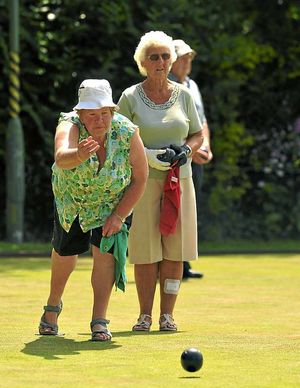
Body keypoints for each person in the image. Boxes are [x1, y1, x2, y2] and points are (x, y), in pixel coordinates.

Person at [38, 79, 148, 341]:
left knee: (105, 256)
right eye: (92, 115)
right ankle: (52, 307)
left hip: (111, 202)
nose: (99, 120)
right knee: (66, 253)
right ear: (81, 114)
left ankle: (99, 320)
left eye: (104, 114)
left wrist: (119, 215)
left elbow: (140, 178)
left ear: (112, 112)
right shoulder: (69, 124)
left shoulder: (127, 131)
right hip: (72, 200)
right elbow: (61, 158)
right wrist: (79, 154)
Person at [117, 31, 204, 332]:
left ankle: (167, 315)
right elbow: (119, 137)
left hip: (179, 180)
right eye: (154, 56)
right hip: (142, 182)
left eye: (166, 56)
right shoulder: (129, 97)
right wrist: (147, 155)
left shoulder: (185, 94)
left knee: (174, 250)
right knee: (145, 250)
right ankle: (145, 315)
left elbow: (197, 132)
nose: (161, 62)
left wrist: (187, 149)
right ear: (143, 62)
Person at [170, 39, 213, 280]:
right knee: (174, 208)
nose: (187, 62)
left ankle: (183, 263)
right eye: (182, 58)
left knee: (190, 210)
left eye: (189, 58)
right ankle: (171, 263)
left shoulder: (192, 85)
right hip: (179, 156)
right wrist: (192, 150)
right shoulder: (168, 86)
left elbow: (202, 121)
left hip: (196, 156)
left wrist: (206, 146)